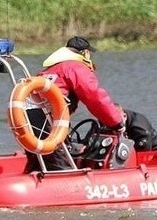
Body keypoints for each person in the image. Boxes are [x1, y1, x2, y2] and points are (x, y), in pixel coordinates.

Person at [25, 36, 125, 172]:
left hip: (27, 121)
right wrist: (116, 122)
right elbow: (95, 97)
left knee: (38, 162)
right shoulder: (75, 67)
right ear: (84, 53)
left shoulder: (48, 71)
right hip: (49, 124)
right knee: (59, 166)